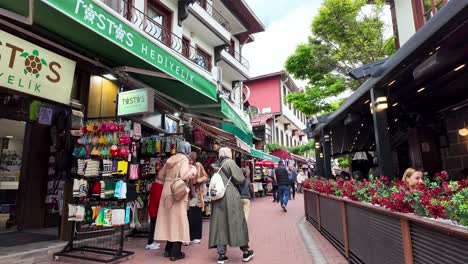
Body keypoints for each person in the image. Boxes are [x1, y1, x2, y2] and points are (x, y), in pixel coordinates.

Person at [209, 148, 254, 264]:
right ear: (228, 154)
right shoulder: (230, 162)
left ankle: (221, 255)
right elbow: (240, 179)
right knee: (237, 222)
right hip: (230, 196)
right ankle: (245, 251)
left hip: (218, 196)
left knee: (220, 224)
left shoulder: (215, 165)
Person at [154, 142, 197, 261]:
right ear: (187, 149)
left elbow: (160, 175)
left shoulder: (170, 159)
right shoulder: (184, 159)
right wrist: (193, 169)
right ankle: (175, 252)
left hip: (166, 190)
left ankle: (167, 250)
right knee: (178, 221)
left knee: (169, 220)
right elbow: (184, 175)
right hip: (177, 192)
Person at [187, 151, 208, 244]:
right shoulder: (186, 167)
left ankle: (197, 236)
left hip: (197, 194)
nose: (190, 161)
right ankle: (189, 236)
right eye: (189, 159)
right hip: (188, 194)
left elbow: (205, 176)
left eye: (191, 159)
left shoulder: (199, 165)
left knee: (197, 216)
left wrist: (198, 181)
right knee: (189, 216)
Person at [146, 180, 164, 250]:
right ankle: (150, 243)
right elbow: (158, 199)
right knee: (153, 226)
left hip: (153, 208)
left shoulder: (154, 184)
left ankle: (152, 241)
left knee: (153, 225)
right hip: (155, 209)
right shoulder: (158, 186)